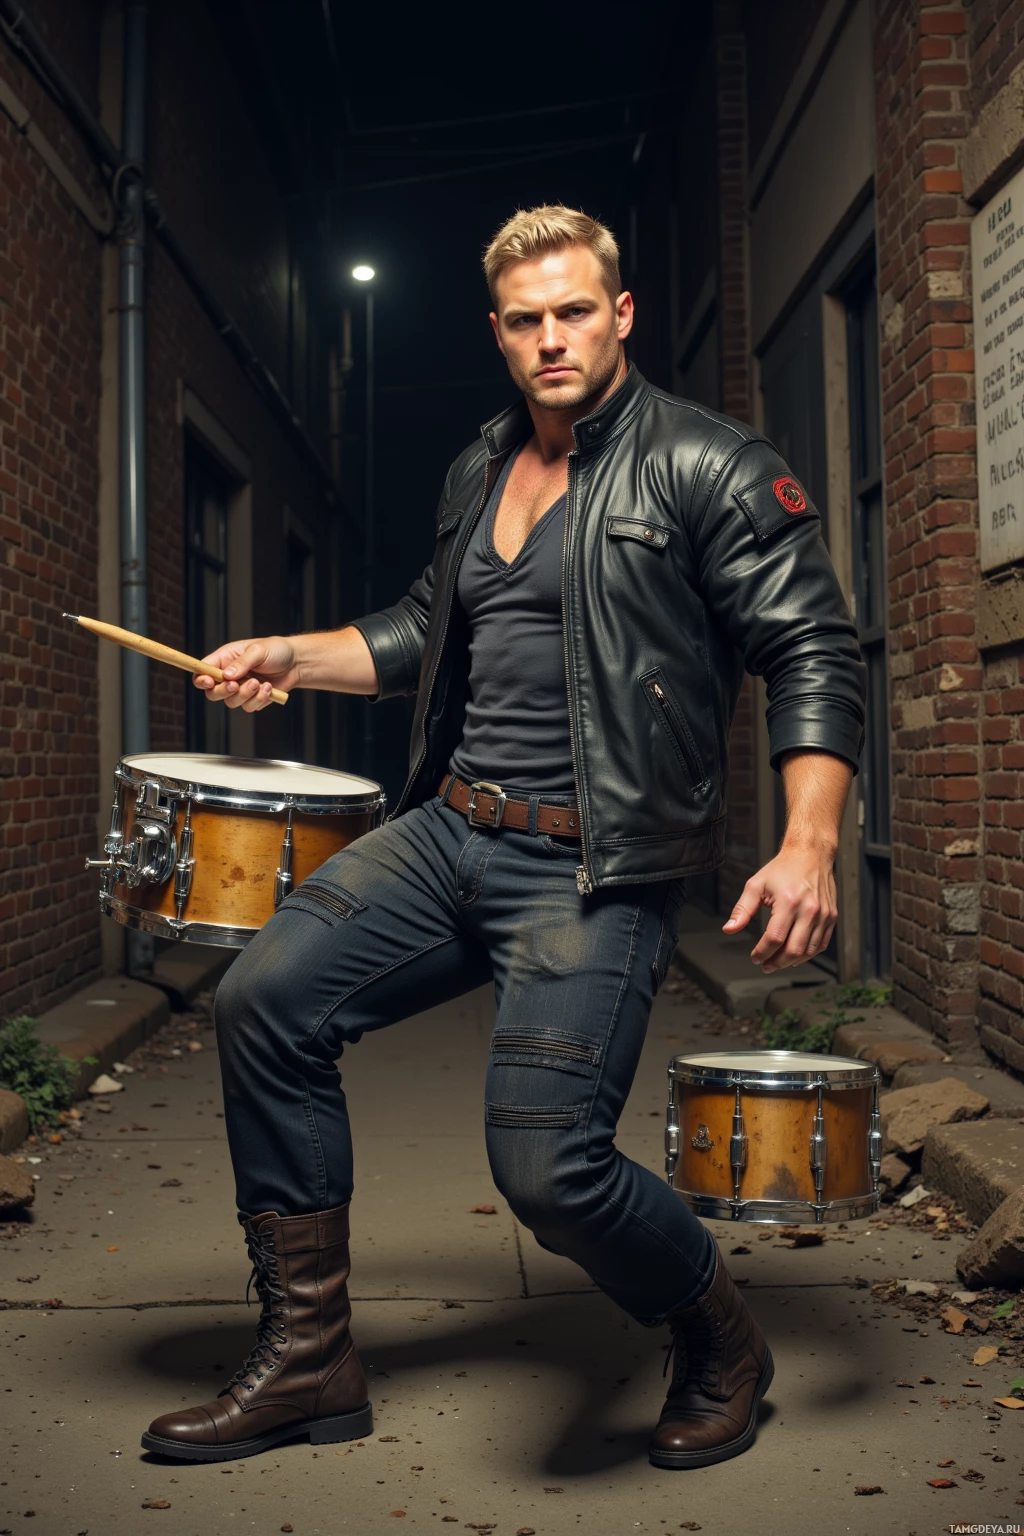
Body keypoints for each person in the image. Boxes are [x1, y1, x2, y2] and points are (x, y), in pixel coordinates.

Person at [141, 205, 865, 1469]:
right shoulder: (481, 467)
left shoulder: (708, 466)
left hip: (593, 865)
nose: (551, 340)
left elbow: (809, 645)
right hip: (452, 833)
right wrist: (285, 657)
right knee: (264, 1000)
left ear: (620, 313)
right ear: (497, 331)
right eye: (525, 320)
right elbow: (427, 626)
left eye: (574, 311)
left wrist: (809, 840)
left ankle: (717, 1334)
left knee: (548, 1169)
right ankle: (312, 1355)